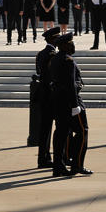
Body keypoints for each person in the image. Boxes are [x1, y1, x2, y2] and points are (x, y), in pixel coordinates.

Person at [50, 33, 90, 176]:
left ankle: (58, 167)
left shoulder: (55, 59)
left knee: (61, 133)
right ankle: (77, 164)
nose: (73, 45)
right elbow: (70, 85)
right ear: (64, 45)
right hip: (70, 102)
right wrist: (75, 106)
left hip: (58, 102)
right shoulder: (68, 60)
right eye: (71, 43)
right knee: (82, 131)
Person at [35, 26, 62, 168]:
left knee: (44, 129)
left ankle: (43, 157)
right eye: (57, 38)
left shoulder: (40, 53)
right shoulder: (52, 55)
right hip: (50, 96)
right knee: (51, 128)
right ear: (53, 39)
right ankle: (45, 158)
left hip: (42, 95)